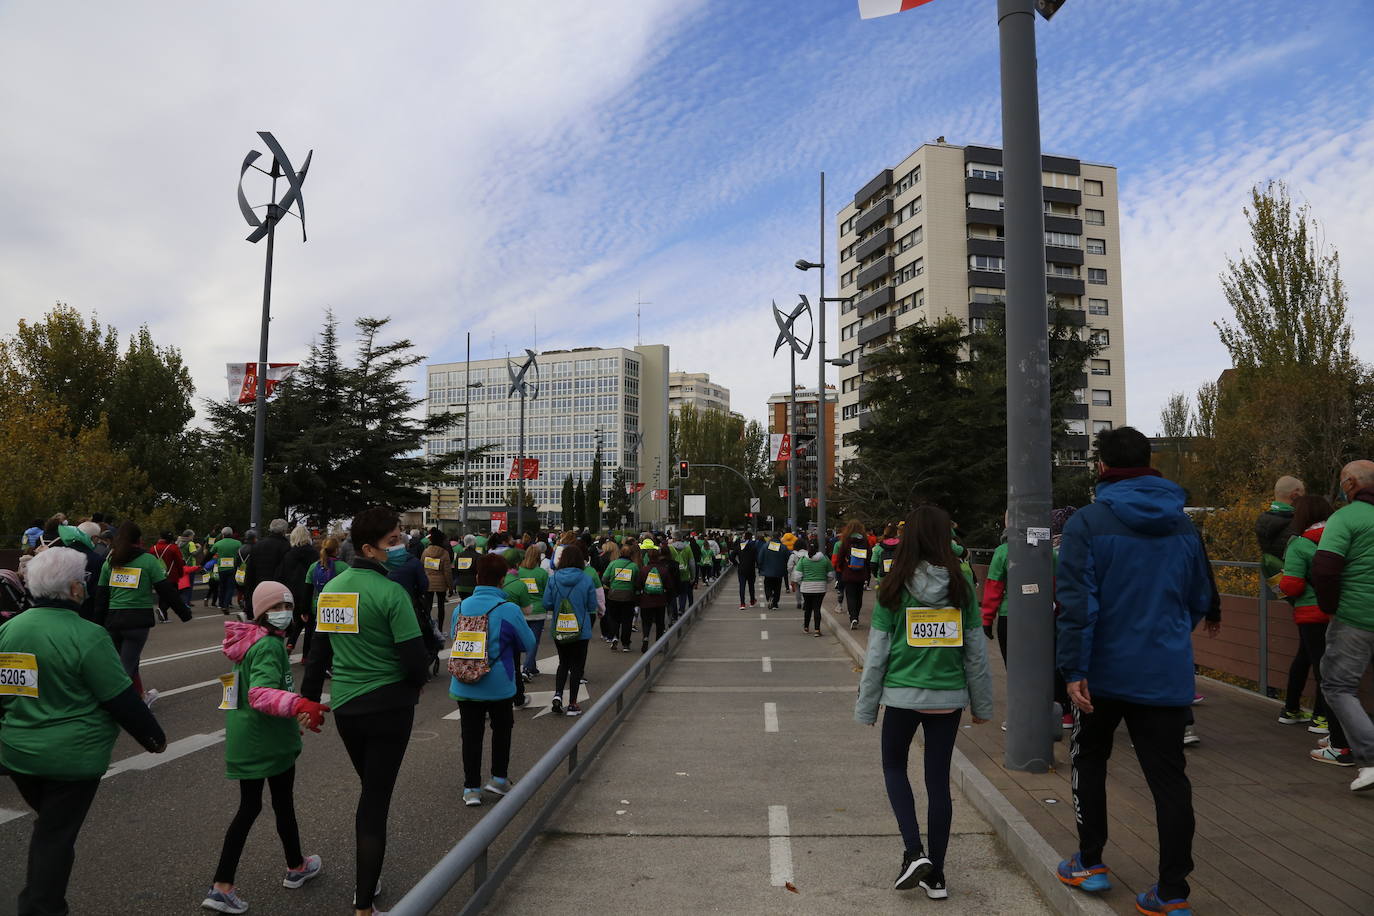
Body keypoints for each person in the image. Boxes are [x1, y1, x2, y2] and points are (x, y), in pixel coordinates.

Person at [1054, 427, 1214, 915]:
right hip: (1165, 671)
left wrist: (1074, 668)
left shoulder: (1087, 522)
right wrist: (1163, 635)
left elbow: (1078, 604)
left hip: (1102, 670)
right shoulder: (1184, 526)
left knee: (1089, 760)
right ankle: (1172, 892)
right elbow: (1200, 598)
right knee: (1170, 780)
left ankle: (1090, 862)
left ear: (1101, 467)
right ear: (1150, 461)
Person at [1, 547, 167, 916]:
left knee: (52, 829)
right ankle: (41, 907)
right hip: (72, 759)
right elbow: (120, 698)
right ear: (75, 588)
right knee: (55, 837)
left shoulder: (9, 630)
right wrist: (154, 740)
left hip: (19, 755)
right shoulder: (88, 636)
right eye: (85, 582)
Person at [855, 506, 992, 901]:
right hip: (947, 700)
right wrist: (982, 704)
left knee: (895, 767)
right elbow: (976, 653)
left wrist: (867, 705)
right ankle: (938, 875)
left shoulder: (893, 584)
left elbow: (877, 652)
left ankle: (914, 852)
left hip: (901, 696)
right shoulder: (961, 585)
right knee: (938, 783)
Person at [301, 507, 431, 916]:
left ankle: (369, 886)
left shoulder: (333, 588)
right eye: (393, 541)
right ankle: (363, 905)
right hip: (390, 708)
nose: (401, 546)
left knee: (371, 792)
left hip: (348, 710)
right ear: (368, 548)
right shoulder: (392, 593)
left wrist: (308, 702)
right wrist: (417, 685)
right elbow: (415, 662)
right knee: (375, 802)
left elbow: (317, 655)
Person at [203, 581, 329, 914]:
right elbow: (260, 694)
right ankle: (223, 885)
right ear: (261, 612)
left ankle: (294, 866)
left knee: (263, 805)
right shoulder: (270, 647)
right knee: (266, 805)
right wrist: (300, 705)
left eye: (287, 607)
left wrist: (289, 718)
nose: (283, 614)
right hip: (264, 739)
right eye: (275, 608)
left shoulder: (251, 641)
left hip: (255, 734)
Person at [448, 554, 536, 807]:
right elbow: (528, 643)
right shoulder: (508, 609)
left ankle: (471, 789)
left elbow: (456, 638)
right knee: (502, 731)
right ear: (502, 580)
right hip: (499, 684)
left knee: (471, 736)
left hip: (464, 683)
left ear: (477, 578)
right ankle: (498, 779)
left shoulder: (460, 608)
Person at [1310, 459, 1374, 792]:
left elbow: (1324, 568)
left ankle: (1372, 760)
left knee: (1337, 686)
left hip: (1355, 617)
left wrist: (1330, 608)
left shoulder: (1345, 517)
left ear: (1350, 483)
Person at [95, 521, 193, 708]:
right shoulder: (147, 561)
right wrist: (184, 613)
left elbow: (101, 596)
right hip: (137, 622)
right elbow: (166, 589)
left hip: (114, 621)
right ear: (139, 540)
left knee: (129, 663)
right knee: (127, 667)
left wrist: (97, 623)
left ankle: (140, 697)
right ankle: (115, 706)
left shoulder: (111, 561)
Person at [1274, 496, 1340, 751]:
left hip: (1310, 613)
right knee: (1317, 659)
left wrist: (1281, 584)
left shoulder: (1299, 545)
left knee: (1318, 663)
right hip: (1338, 610)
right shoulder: (1339, 537)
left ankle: (1320, 717)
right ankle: (1298, 711)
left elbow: (1293, 584)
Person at [542, 544, 598, 717]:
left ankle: (558, 695)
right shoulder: (587, 579)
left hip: (560, 626)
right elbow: (591, 606)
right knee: (576, 667)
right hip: (581, 628)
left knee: (563, 663)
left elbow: (547, 603)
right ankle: (573, 704)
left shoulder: (554, 579)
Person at [276, 526, 319, 654]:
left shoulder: (289, 554)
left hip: (292, 593)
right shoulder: (314, 554)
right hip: (309, 591)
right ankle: (306, 654)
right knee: (310, 624)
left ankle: (290, 643)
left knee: (298, 620)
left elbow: (281, 575)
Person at [1258, 476, 1304, 586]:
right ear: (1295, 495)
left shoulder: (1262, 521)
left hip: (1279, 582)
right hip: (1300, 583)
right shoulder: (1296, 523)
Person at [245, 519, 292, 616]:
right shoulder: (286, 546)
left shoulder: (258, 545)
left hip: (258, 588)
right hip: (276, 590)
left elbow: (250, 572)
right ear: (284, 531)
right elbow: (286, 572)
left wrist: (248, 597)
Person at [636, 545, 679, 652]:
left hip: (646, 601)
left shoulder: (644, 570)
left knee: (646, 622)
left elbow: (637, 585)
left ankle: (646, 638)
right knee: (660, 623)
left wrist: (639, 598)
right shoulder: (664, 570)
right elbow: (670, 586)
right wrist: (668, 599)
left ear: (648, 557)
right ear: (659, 556)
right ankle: (658, 644)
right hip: (660, 601)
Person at [789, 538, 834, 637]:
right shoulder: (825, 558)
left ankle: (806, 627)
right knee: (817, 608)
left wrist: (803, 582)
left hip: (806, 588)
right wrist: (825, 581)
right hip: (820, 587)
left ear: (808, 547)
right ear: (818, 547)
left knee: (808, 608)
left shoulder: (804, 559)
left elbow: (797, 576)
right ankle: (817, 630)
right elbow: (831, 575)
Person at [602, 542, 641, 652]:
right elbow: (638, 583)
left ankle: (614, 636)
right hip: (628, 596)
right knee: (627, 620)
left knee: (614, 618)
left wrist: (611, 586)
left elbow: (604, 579)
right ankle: (626, 644)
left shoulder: (613, 564)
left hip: (613, 595)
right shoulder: (634, 567)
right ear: (631, 555)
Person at [832, 521, 872, 629]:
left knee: (850, 596)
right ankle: (856, 616)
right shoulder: (865, 541)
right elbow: (869, 557)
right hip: (861, 572)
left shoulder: (846, 541)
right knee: (859, 596)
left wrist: (839, 567)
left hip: (848, 572)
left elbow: (840, 556)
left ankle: (853, 617)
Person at [421, 529, 453, 636]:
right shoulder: (444, 553)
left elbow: (421, 566)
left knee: (428, 607)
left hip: (428, 581)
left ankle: (428, 629)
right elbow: (447, 571)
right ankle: (439, 629)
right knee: (441, 607)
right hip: (441, 583)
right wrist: (450, 586)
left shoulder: (425, 552)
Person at [151, 530, 187, 624]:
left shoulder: (152, 548)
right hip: (171, 576)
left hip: (157, 576)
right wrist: (180, 573)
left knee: (162, 595)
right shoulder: (173, 548)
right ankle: (162, 610)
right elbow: (179, 563)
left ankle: (164, 617)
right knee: (173, 595)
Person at [757, 532, 790, 610]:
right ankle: (775, 603)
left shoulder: (765, 546)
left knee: (767, 586)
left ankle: (769, 597)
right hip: (779, 571)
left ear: (772, 537)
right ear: (779, 537)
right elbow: (788, 558)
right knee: (777, 587)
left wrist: (760, 568)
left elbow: (760, 558)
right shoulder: (783, 547)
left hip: (767, 571)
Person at [214, 528, 244, 612]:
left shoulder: (218, 543)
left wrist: (203, 564)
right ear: (231, 534)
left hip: (221, 568)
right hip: (232, 568)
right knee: (230, 588)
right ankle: (226, 605)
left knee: (222, 586)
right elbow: (241, 553)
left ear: (223, 534)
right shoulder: (238, 543)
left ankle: (221, 604)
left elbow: (211, 553)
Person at [730, 531, 759, 609]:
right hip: (751, 568)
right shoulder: (754, 546)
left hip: (741, 568)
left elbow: (731, 556)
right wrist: (758, 566)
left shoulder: (740, 546)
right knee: (751, 586)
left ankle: (742, 604)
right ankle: (752, 601)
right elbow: (757, 558)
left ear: (744, 537)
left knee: (742, 586)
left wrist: (736, 564)